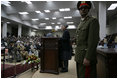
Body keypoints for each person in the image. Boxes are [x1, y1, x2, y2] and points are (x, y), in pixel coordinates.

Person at [75, 1, 100, 78]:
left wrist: (88, 57)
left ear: (88, 9)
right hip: (79, 57)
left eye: (85, 8)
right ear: (79, 10)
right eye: (81, 8)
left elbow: (93, 41)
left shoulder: (92, 21)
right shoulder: (81, 23)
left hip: (86, 58)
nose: (83, 9)